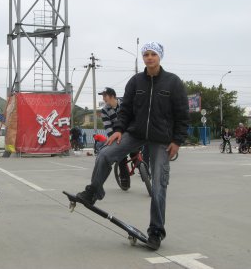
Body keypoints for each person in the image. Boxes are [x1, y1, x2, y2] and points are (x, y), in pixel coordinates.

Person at [76, 42, 189, 250]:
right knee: (105, 154)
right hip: (134, 133)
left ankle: (156, 231)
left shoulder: (173, 82)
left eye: (153, 54)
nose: (149, 57)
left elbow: (182, 114)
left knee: (158, 185)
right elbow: (125, 109)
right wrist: (118, 129)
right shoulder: (136, 81)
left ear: (160, 57)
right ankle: (93, 192)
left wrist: (177, 141)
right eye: (145, 54)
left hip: (161, 139)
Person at [98, 87, 131, 190]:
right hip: (116, 133)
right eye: (102, 96)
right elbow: (108, 127)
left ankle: (143, 169)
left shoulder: (125, 103)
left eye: (105, 96)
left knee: (136, 151)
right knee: (121, 156)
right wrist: (114, 138)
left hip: (130, 130)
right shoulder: (104, 110)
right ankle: (124, 179)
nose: (103, 98)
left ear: (112, 96)